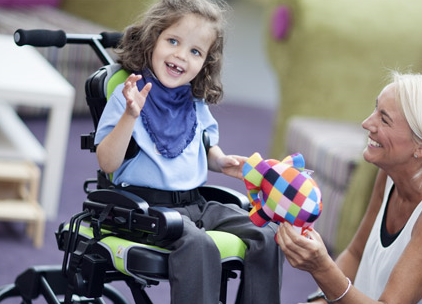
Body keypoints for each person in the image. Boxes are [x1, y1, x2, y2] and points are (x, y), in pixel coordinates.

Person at [93, 0, 283, 303]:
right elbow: (107, 162)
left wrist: (222, 161)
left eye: (195, 51)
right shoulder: (127, 96)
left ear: (205, 62)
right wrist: (130, 115)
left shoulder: (194, 101)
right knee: (200, 245)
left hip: (196, 204)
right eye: (172, 41)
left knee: (268, 232)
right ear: (152, 38)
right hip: (147, 209)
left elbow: (204, 146)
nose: (181, 55)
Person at [277, 71, 422, 304]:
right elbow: (356, 254)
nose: (366, 123)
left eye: (384, 119)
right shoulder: (390, 173)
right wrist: (320, 299)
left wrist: (322, 269)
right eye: (375, 109)